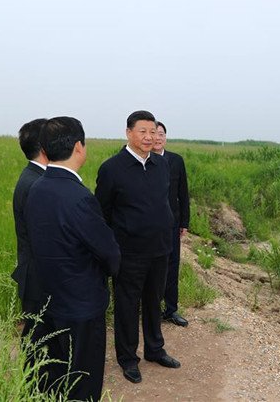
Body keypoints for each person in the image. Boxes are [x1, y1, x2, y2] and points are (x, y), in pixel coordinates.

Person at [25, 116, 121, 401]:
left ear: (45, 149)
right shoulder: (78, 197)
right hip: (82, 304)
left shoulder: (36, 188)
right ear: (79, 147)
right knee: (83, 378)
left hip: (49, 299)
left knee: (55, 372)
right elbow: (109, 252)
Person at [95, 110, 180, 384]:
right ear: (128, 133)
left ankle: (155, 349)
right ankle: (128, 358)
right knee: (127, 306)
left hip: (160, 249)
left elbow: (164, 202)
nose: (149, 137)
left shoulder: (161, 165)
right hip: (129, 253)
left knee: (154, 301)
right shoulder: (112, 169)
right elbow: (102, 213)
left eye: (153, 131)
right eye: (142, 131)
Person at [11, 118, 48, 339]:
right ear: (44, 147)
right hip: (38, 276)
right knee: (38, 337)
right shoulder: (37, 183)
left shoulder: (34, 176)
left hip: (35, 273)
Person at [152, 121, 190, 327]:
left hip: (172, 223)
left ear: (165, 137)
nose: (158, 138)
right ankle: (151, 308)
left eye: (161, 134)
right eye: (154, 134)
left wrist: (184, 221)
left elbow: (183, 193)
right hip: (150, 225)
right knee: (152, 266)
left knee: (172, 265)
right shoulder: (144, 161)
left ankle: (171, 309)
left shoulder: (176, 160)